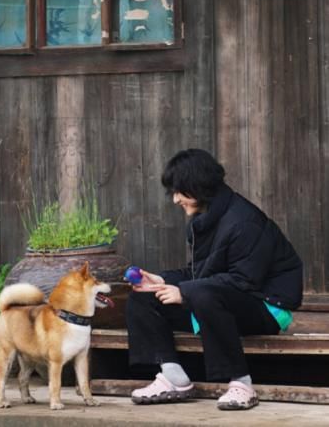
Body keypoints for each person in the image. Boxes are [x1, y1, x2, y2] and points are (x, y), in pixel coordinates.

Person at [126, 148, 303, 410]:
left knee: (202, 293)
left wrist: (185, 292)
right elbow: (199, 273)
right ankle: (174, 377)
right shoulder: (204, 220)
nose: (175, 200)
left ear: (198, 186)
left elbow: (243, 282)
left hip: (266, 307)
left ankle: (242, 384)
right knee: (143, 297)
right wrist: (160, 280)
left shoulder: (245, 221)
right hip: (216, 301)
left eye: (179, 191)